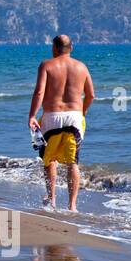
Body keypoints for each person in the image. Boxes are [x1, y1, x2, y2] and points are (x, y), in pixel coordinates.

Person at [27, 34, 95, 212]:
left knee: (49, 159)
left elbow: (39, 92)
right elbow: (91, 95)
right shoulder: (82, 67)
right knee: (73, 162)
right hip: (74, 118)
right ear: (71, 48)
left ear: (54, 48)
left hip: (51, 116)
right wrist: (82, 111)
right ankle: (72, 205)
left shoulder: (47, 65)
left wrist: (32, 115)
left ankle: (52, 199)